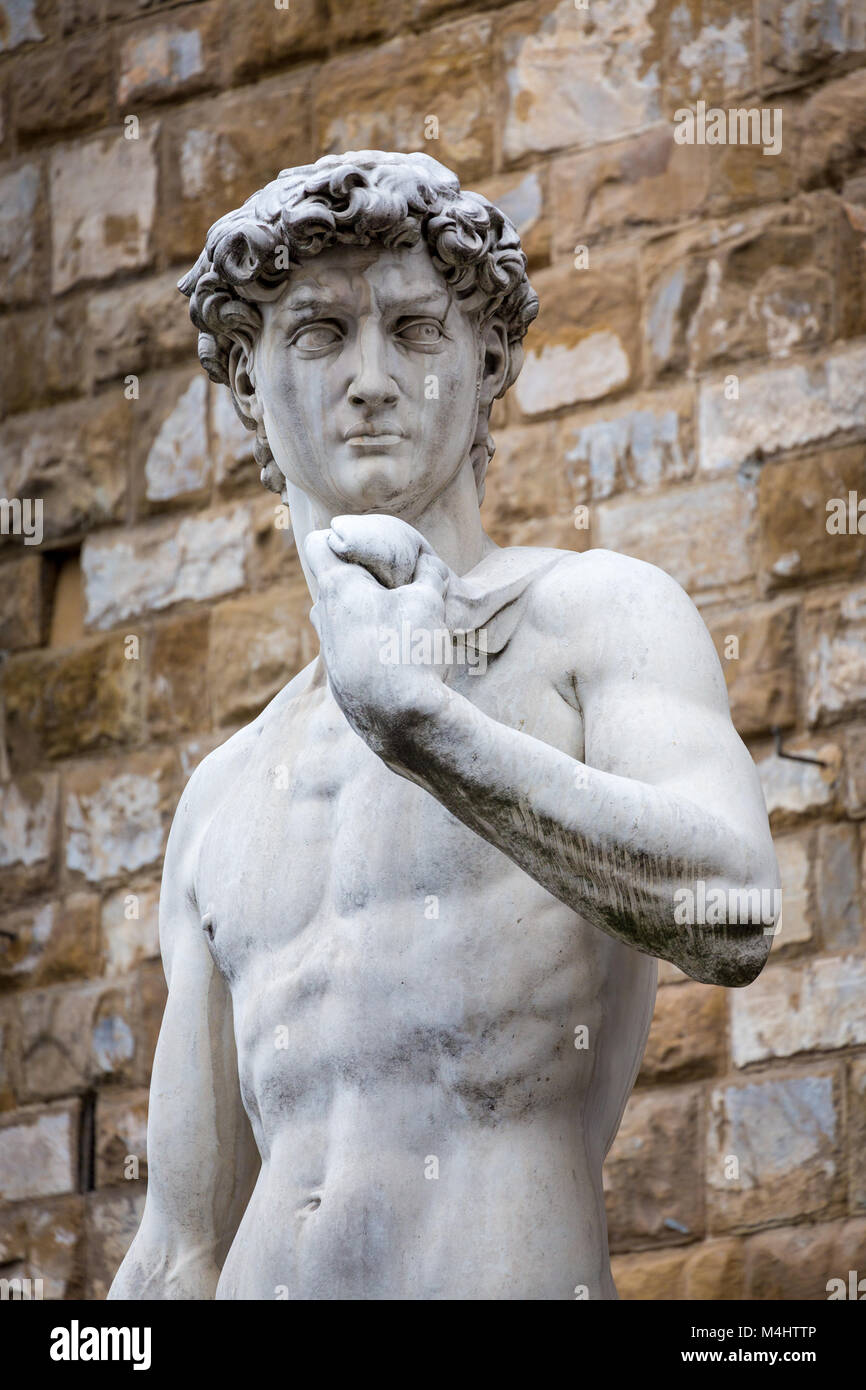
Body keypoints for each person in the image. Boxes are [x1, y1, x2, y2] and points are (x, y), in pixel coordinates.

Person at [109, 150, 778, 1301]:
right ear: (248, 391)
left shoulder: (591, 617)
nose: (371, 378)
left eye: (414, 331)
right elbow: (178, 1248)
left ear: (488, 361)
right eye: (319, 334)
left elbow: (733, 910)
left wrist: (424, 729)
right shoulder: (223, 794)